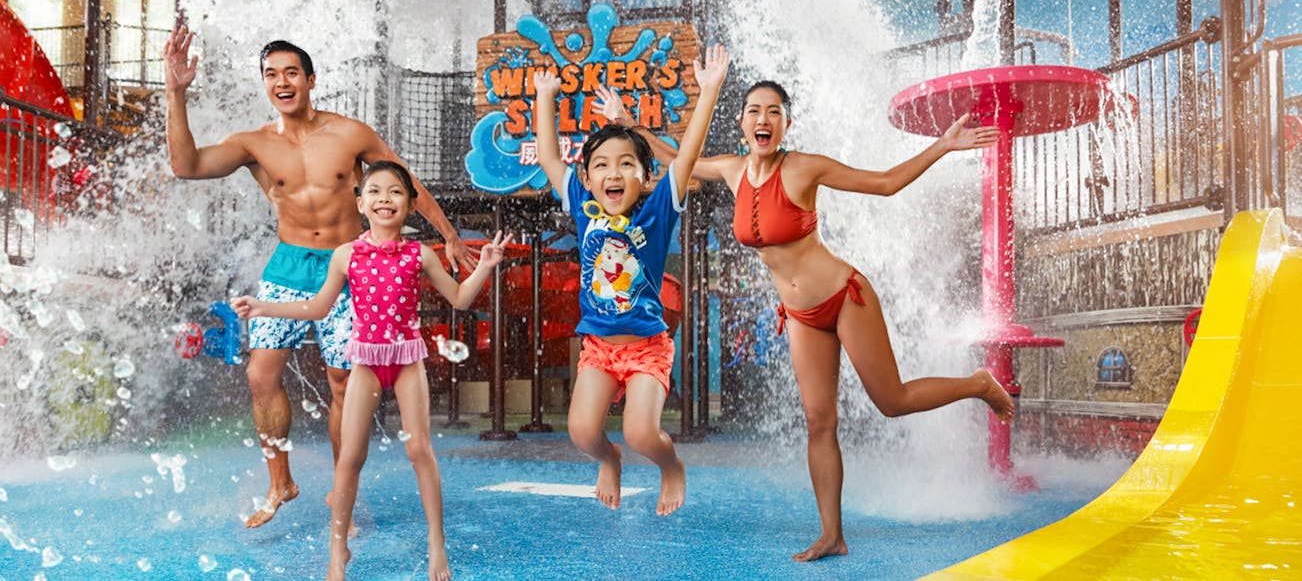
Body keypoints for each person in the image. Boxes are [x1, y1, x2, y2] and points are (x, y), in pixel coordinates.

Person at [596, 79, 1016, 561]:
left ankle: (979, 384)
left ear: (786, 124)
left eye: (774, 112)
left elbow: (883, 184)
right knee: (820, 422)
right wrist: (630, 125)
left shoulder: (802, 168)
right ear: (741, 122)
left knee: (893, 401)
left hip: (844, 298)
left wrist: (943, 146)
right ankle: (832, 535)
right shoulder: (732, 171)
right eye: (754, 110)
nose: (763, 120)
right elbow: (676, 158)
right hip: (800, 315)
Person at [164, 26, 475, 528]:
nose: (281, 82)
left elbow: (405, 181)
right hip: (289, 265)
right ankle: (280, 481)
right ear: (265, 84)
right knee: (260, 374)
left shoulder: (349, 134)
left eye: (291, 73)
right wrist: (176, 93)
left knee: (342, 382)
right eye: (271, 75)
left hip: (350, 265)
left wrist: (450, 235)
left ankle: (340, 490)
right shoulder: (255, 144)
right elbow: (187, 165)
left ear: (310, 79)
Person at [233, 161, 508, 581]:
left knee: (420, 452)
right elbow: (318, 308)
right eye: (375, 192)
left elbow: (459, 300)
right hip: (364, 363)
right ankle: (337, 552)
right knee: (350, 459)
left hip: (406, 363)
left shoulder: (420, 254)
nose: (385, 199)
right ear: (360, 203)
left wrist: (485, 267)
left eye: (396, 192)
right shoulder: (346, 256)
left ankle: (437, 545)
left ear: (411, 205)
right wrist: (264, 307)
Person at [531, 44, 730, 516]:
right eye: (601, 164)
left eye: (626, 164)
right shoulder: (581, 203)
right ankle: (610, 459)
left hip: (646, 347)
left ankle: (671, 466)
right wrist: (545, 96)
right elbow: (545, 155)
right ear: (586, 175)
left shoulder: (659, 209)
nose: (613, 173)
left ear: (645, 178)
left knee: (643, 432)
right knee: (582, 432)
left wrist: (710, 92)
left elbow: (686, 157)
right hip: (598, 347)